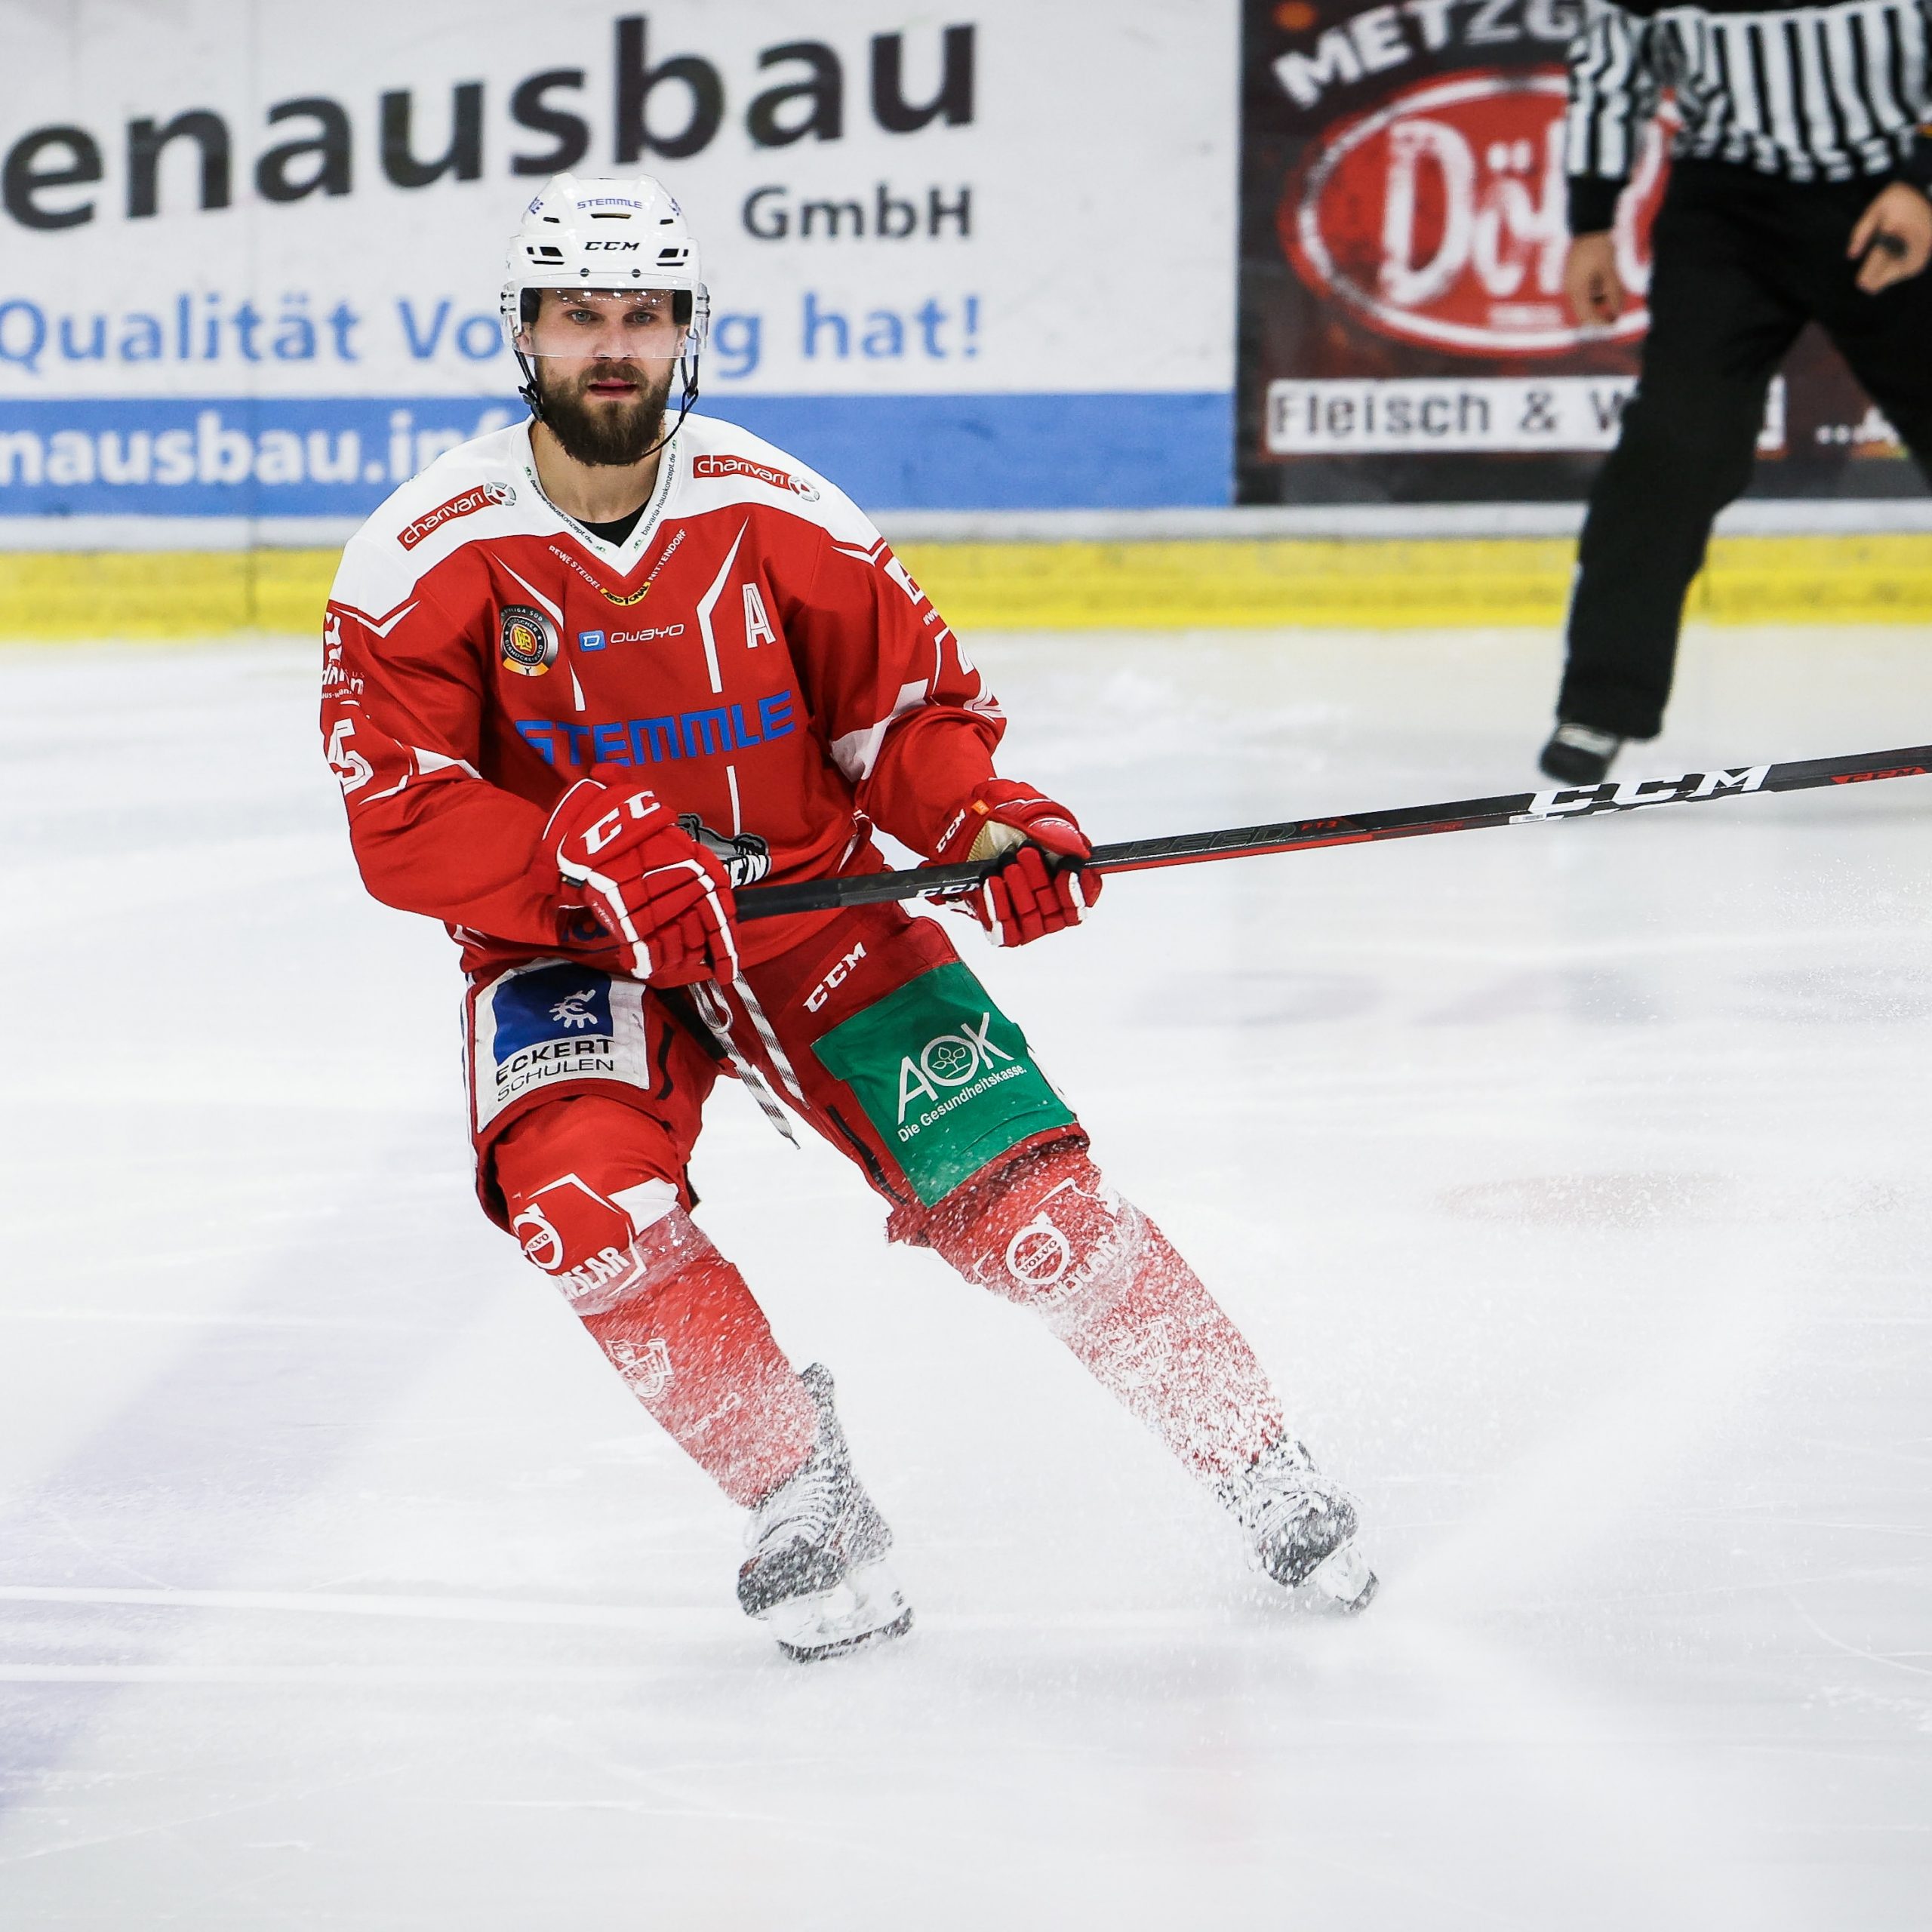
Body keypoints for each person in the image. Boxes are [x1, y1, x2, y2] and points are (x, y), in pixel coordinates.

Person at [320, 173, 1375, 1660]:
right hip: (565, 944)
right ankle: (796, 1487)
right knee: (580, 1210)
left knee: (1038, 1213)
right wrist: (575, 853)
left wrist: (982, 823)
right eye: (578, 317)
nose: (610, 347)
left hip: (811, 913)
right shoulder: (420, 553)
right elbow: (401, 813)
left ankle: (1259, 1462)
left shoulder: (781, 513)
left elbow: (908, 719)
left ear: (688, 330)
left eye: (641, 316)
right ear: (523, 332)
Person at [1540, 0, 1932, 785]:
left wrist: (1922, 179)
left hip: (1893, 186)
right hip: (1729, 211)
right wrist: (1590, 225)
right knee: (1672, 451)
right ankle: (1601, 703)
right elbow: (1611, 69)